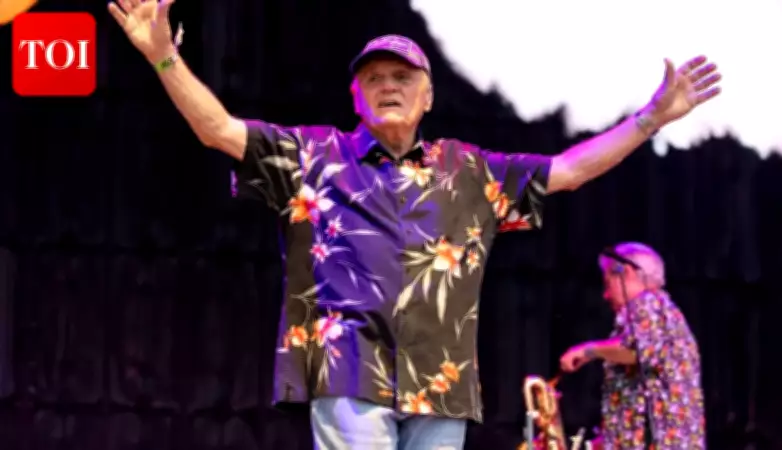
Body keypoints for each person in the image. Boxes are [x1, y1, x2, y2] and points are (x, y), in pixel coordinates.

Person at [108, 1, 721, 448]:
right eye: (374, 80)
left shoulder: (469, 171)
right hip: (350, 370)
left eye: (403, 78)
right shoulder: (313, 156)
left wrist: (649, 119)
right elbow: (217, 130)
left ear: (428, 97)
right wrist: (164, 57)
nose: (388, 87)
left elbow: (569, 170)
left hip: (442, 383)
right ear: (355, 98)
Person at [559, 243, 705, 449]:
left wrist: (589, 350)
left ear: (625, 272)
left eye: (607, 283)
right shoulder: (664, 313)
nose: (605, 295)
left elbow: (636, 350)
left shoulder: (648, 304)